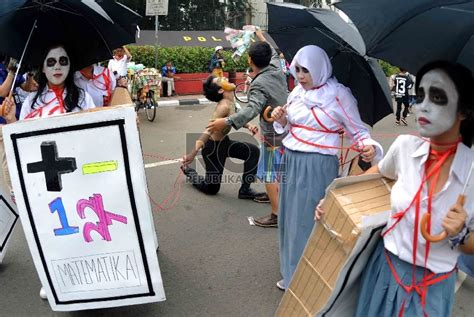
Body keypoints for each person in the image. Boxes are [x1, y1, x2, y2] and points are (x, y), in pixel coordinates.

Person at [317, 61, 474, 316]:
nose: (422, 106)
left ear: (464, 111)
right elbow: (378, 172)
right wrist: (334, 199)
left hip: (430, 290)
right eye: (420, 96)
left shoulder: (471, 174)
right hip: (383, 271)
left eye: (438, 97)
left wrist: (461, 234)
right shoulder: (405, 148)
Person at [273, 45, 383, 291]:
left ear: (320, 69)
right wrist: (281, 120)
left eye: (306, 70)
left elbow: (358, 130)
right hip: (290, 158)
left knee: (310, 220)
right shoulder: (296, 93)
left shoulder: (339, 95)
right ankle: (290, 270)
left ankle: (307, 279)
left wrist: (369, 147)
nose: (300, 76)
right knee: (289, 217)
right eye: (297, 70)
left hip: (318, 163)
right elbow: (288, 127)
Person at [206, 30, 288, 228]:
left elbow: (251, 109)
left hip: (272, 134)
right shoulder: (277, 66)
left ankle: (276, 214)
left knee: (270, 173)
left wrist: (224, 123)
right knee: (281, 169)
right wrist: (260, 34)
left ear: (250, 59)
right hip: (287, 130)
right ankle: (275, 197)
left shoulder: (258, 84)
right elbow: (273, 51)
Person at [181, 75, 261, 198]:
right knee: (212, 189)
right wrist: (192, 154)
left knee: (253, 151)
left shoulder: (230, 101)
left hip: (225, 143)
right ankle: (190, 172)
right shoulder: (223, 107)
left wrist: (248, 125)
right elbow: (208, 131)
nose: (224, 77)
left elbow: (236, 117)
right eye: (221, 80)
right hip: (213, 149)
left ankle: (245, 190)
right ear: (220, 90)